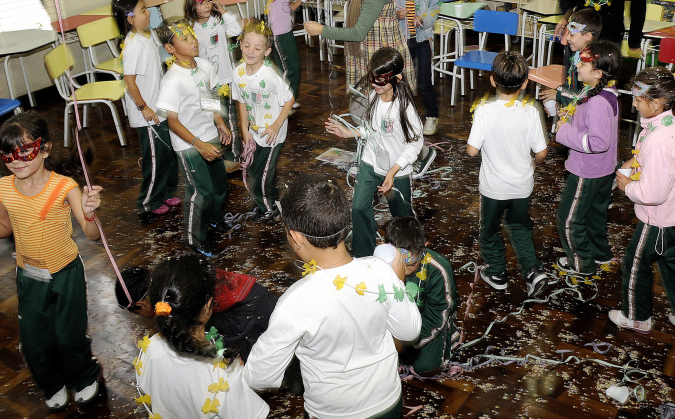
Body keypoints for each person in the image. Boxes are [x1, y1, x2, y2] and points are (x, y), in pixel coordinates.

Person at [243, 174, 421, 419]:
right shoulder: (381, 271)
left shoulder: (294, 302)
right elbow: (410, 332)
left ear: (295, 237)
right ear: (347, 224)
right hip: (387, 401)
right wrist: (398, 281)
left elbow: (258, 377)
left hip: (333, 412)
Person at [0, 111, 102, 410]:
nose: (16, 161)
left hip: (66, 272)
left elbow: (92, 235)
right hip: (28, 275)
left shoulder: (65, 187)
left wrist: (91, 211)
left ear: (44, 149)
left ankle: (84, 376)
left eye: (24, 151)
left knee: (68, 336)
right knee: (34, 341)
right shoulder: (3, 188)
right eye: (7, 155)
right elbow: (4, 229)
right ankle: (51, 384)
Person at [610, 68, 675, 334]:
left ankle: (636, 317)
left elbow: (652, 195)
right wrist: (635, 160)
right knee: (674, 261)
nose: (634, 103)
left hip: (659, 218)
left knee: (635, 262)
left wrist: (628, 186)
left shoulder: (659, 140)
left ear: (658, 102)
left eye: (639, 99)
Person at [135, 254, 270, 419]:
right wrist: (240, 374)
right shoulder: (224, 372)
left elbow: (147, 390)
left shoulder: (149, 348)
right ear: (207, 307)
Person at [324, 48, 423, 258]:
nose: (375, 85)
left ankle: (410, 257)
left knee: (402, 217)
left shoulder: (404, 108)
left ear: (396, 78)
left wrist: (392, 172)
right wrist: (348, 132)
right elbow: (370, 130)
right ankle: (364, 255)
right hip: (370, 163)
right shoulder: (373, 96)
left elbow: (415, 145)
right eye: (373, 79)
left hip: (397, 170)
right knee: (359, 208)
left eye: (381, 81)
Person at [467, 51, 549, 297]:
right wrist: (533, 164)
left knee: (489, 230)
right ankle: (533, 271)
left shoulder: (484, 111)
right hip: (522, 186)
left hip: (493, 188)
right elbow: (542, 152)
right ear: (525, 83)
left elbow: (472, 151)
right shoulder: (531, 112)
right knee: (519, 226)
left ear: (493, 80)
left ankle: (498, 273)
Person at [154, 18, 232, 252]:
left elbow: (209, 97)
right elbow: (173, 121)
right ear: (170, 48)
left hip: (209, 135)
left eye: (192, 35)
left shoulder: (204, 66)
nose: (193, 40)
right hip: (189, 145)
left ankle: (213, 217)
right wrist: (199, 145)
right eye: (184, 38)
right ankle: (194, 238)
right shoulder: (172, 79)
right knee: (202, 192)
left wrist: (219, 121)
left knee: (219, 185)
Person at [553, 40, 621, 275]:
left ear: (598, 72)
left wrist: (564, 131)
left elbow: (597, 142)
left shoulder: (597, 102)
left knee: (568, 219)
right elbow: (594, 128)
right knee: (594, 215)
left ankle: (581, 265)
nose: (577, 66)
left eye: (583, 63)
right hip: (603, 170)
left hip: (587, 171)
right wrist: (570, 118)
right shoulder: (603, 93)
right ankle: (600, 254)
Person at [116, 263, 276, 359]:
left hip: (252, 312)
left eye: (138, 313)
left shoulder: (171, 304)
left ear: (141, 305)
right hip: (257, 296)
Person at [112, 0, 180, 215]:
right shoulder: (133, 46)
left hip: (159, 108)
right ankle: (149, 200)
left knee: (167, 155)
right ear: (130, 18)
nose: (148, 12)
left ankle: (167, 192)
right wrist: (144, 107)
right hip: (147, 114)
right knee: (155, 159)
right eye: (143, 10)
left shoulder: (146, 36)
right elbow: (129, 81)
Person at [231, 21, 294, 223]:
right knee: (254, 171)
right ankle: (263, 202)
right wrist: (244, 128)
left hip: (272, 134)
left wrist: (276, 125)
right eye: (247, 45)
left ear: (266, 51)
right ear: (240, 45)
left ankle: (270, 208)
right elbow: (240, 101)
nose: (251, 51)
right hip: (254, 132)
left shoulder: (270, 76)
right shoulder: (237, 72)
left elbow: (289, 100)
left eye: (257, 48)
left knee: (264, 174)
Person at [385, 216, 457, 375]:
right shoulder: (381, 262)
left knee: (425, 367)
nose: (404, 271)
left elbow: (438, 314)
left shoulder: (437, 270)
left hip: (426, 323)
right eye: (400, 264)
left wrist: (405, 344)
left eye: (411, 265)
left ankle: (450, 335)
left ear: (424, 249)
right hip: (395, 324)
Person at [184, 0, 244, 171]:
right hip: (204, 84)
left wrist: (223, 11)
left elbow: (236, 31)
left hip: (223, 80)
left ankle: (234, 155)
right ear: (191, 5)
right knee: (212, 120)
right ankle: (217, 157)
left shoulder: (217, 22)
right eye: (201, 3)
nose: (207, 7)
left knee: (229, 119)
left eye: (208, 1)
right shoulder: (189, 29)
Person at [392, 0, 441, 135]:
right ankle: (401, 114)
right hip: (401, 41)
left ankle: (431, 115)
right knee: (400, 80)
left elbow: (435, 9)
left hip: (422, 41)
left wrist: (423, 18)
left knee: (424, 82)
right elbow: (385, 10)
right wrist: (396, 14)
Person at [538, 7, 601, 112]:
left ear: (588, 36)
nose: (567, 38)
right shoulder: (576, 55)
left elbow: (585, 96)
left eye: (572, 35)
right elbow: (571, 86)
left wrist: (559, 95)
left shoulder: (590, 65)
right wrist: (559, 101)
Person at [266, 0, 304, 102]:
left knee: (295, 66)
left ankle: (290, 98)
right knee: (287, 69)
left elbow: (290, 8)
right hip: (278, 35)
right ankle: (284, 99)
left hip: (287, 32)